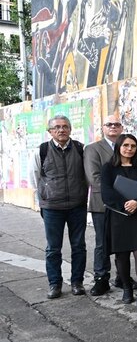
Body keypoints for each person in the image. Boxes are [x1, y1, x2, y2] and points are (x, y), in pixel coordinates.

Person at [32, 115, 89, 299]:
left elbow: (87, 175)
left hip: (77, 205)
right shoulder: (41, 150)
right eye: (56, 127)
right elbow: (35, 177)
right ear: (50, 131)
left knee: (79, 246)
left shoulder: (81, 149)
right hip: (52, 207)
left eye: (65, 126)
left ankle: (77, 282)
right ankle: (55, 284)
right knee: (53, 248)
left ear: (70, 129)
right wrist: (43, 196)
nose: (61, 130)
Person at [100, 134, 137, 310]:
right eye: (125, 145)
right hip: (118, 216)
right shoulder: (108, 168)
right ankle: (126, 289)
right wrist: (125, 205)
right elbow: (106, 192)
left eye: (133, 146)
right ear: (118, 147)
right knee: (122, 255)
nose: (129, 149)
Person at [83, 114, 122, 296]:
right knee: (102, 243)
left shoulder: (126, 146)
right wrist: (118, 195)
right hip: (103, 204)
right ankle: (101, 278)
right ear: (103, 128)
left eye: (116, 124)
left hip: (125, 205)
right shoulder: (93, 149)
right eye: (109, 124)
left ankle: (122, 276)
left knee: (123, 242)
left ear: (121, 128)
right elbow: (94, 178)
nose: (113, 127)